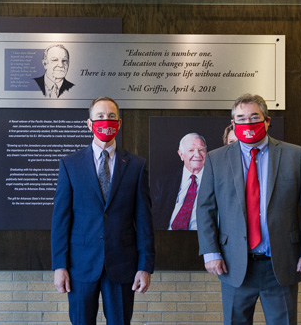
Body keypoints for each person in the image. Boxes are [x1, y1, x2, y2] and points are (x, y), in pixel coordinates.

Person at [197, 93, 301, 325]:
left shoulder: (294, 155)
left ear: (266, 121)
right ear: (233, 124)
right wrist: (211, 252)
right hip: (234, 265)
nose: (247, 123)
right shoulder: (216, 159)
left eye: (254, 117)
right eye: (241, 118)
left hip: (281, 263)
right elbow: (205, 209)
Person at [51, 97, 155, 325]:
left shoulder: (136, 165)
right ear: (89, 124)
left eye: (110, 117)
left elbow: (144, 220)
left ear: (119, 123)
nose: (105, 121)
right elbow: (61, 220)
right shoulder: (70, 164)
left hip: (122, 267)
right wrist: (60, 265)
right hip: (80, 267)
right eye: (99, 117)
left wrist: (144, 267)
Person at [152, 133, 207, 230]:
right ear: (181, 154)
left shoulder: (217, 181)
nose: (197, 154)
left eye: (201, 150)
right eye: (191, 150)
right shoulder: (164, 182)